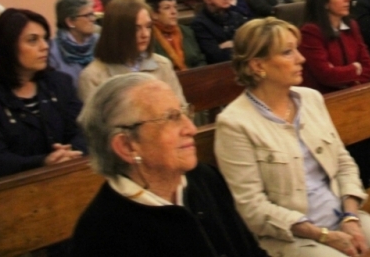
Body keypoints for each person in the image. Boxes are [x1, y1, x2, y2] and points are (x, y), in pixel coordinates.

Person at [215, 19, 370, 257]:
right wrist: (322, 235)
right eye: (288, 52)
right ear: (258, 66)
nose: (301, 58)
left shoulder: (310, 99)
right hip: (292, 236)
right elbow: (253, 208)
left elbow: (343, 163)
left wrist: (350, 216)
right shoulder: (235, 124)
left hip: (341, 215)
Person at [71, 74, 269, 257]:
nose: (191, 128)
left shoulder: (203, 178)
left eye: (184, 113)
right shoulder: (102, 234)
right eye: (171, 118)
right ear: (127, 146)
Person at [299, 0, 370, 185]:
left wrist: (353, 76)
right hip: (327, 103)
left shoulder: (351, 26)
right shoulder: (311, 32)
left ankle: (365, 175)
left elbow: (368, 64)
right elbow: (325, 74)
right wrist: (354, 71)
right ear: (324, 1)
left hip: (355, 95)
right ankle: (353, 180)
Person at [0, 8, 86, 180]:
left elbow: (83, 130)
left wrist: (69, 154)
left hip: (68, 175)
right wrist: (43, 162)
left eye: (44, 38)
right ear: (8, 46)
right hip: (14, 189)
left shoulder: (59, 83)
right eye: (32, 40)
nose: (44, 46)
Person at [78, 0, 184, 105]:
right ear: (116, 31)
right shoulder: (92, 77)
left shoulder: (163, 65)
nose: (145, 34)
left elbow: (181, 109)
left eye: (148, 27)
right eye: (136, 28)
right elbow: (96, 121)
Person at [145, 0, 206, 71]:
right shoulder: (148, 36)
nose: (174, 12)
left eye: (175, 7)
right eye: (167, 8)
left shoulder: (187, 31)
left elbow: (200, 60)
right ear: (154, 14)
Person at [191, 0, 248, 64]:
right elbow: (216, 57)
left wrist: (227, 45)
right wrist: (239, 45)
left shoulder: (236, 16)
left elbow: (252, 44)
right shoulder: (199, 24)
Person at [48, 0, 99, 88]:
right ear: (70, 21)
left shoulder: (99, 41)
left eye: (92, 14)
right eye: (87, 15)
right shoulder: (53, 52)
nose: (92, 19)